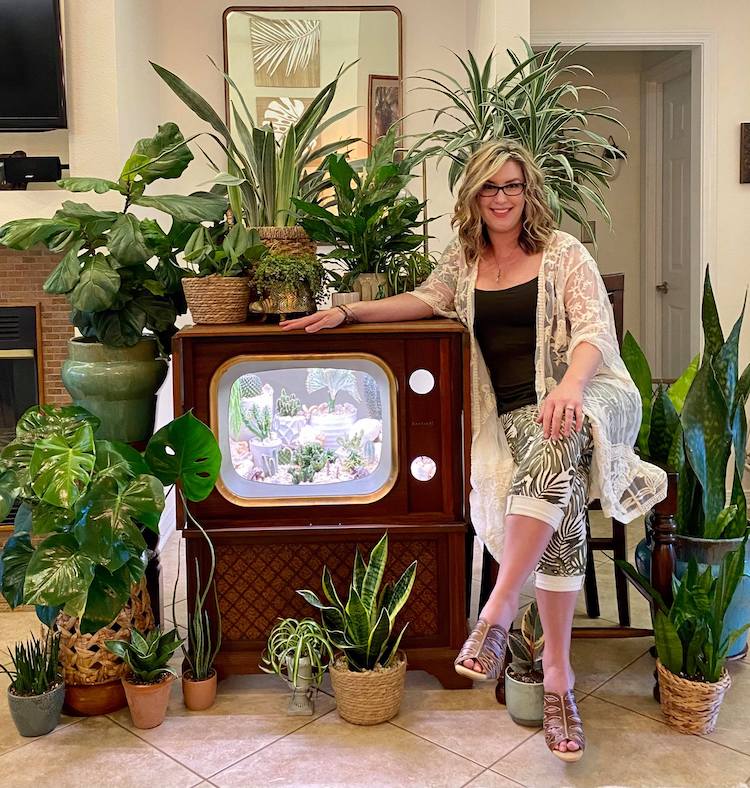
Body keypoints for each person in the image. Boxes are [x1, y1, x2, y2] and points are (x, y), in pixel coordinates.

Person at [281, 140, 667, 763]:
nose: (502, 199)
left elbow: (595, 330)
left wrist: (569, 388)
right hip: (513, 417)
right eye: (490, 188)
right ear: (473, 197)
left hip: (586, 396)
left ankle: (497, 609)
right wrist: (346, 313)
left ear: (528, 191)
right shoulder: (465, 261)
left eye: (512, 186)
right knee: (559, 490)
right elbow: (423, 302)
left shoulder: (564, 253)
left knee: (558, 439)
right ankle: (560, 681)